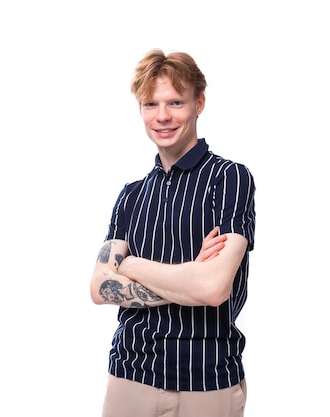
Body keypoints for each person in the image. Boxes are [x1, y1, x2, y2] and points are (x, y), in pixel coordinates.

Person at [90, 48, 256, 417]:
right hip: (129, 377)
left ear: (199, 103)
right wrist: (188, 277)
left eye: (175, 102)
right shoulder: (131, 195)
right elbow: (100, 288)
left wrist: (129, 264)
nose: (162, 116)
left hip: (207, 381)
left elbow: (213, 289)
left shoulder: (228, 179)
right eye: (151, 104)